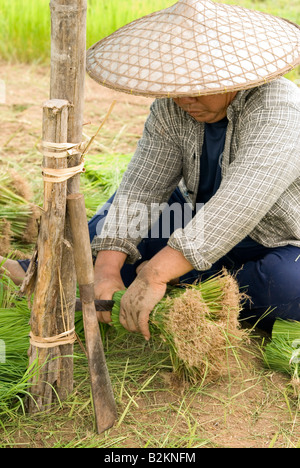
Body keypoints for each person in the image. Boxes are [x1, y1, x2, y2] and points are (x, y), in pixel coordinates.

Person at [3, 0, 300, 338]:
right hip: (196, 219)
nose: (182, 99)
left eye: (195, 88)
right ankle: (105, 274)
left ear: (233, 74)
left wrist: (156, 271)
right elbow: (143, 186)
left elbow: (243, 200)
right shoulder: (172, 108)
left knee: (287, 286)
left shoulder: (280, 106)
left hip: (278, 241)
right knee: (115, 221)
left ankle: (185, 285)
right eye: (174, 88)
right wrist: (106, 267)